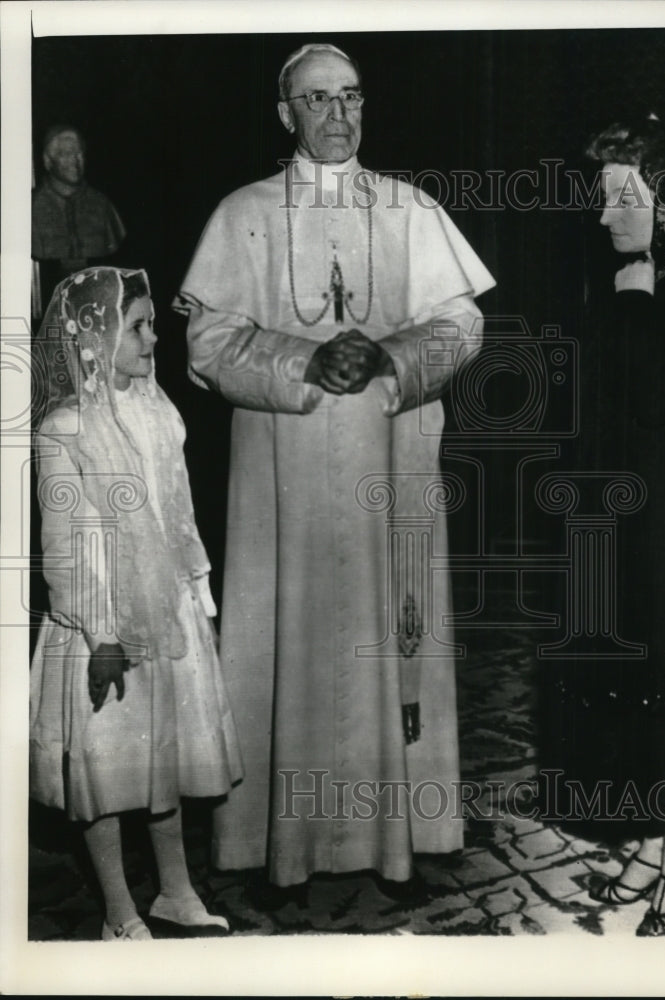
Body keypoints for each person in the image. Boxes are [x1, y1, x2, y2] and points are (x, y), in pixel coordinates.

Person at [173, 43, 495, 900]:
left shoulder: (408, 207)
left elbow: (462, 325)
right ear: (287, 115)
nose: (340, 116)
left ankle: (402, 840)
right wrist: (303, 363)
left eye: (352, 98)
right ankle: (282, 845)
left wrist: (390, 351)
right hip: (288, 476)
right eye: (319, 102)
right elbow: (206, 344)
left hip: (391, 467)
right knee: (292, 638)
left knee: (392, 637)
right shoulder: (241, 213)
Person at [548, 117, 665, 936]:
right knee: (629, 669)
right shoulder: (629, 276)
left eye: (624, 198)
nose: (604, 214)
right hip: (621, 508)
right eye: (602, 196)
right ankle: (656, 836)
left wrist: (634, 300)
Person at [30, 266, 243, 940]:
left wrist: (196, 598)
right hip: (104, 624)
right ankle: (120, 911)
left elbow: (179, 515)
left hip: (166, 612)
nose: (156, 338)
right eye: (139, 327)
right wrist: (100, 635)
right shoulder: (65, 427)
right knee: (109, 767)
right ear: (95, 339)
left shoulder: (158, 410)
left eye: (154, 324)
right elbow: (65, 543)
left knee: (164, 755)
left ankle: (175, 891)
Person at [32, 126, 126, 311]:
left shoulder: (101, 205)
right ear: (48, 161)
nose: (76, 160)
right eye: (67, 154)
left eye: (79, 153)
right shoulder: (31, 206)